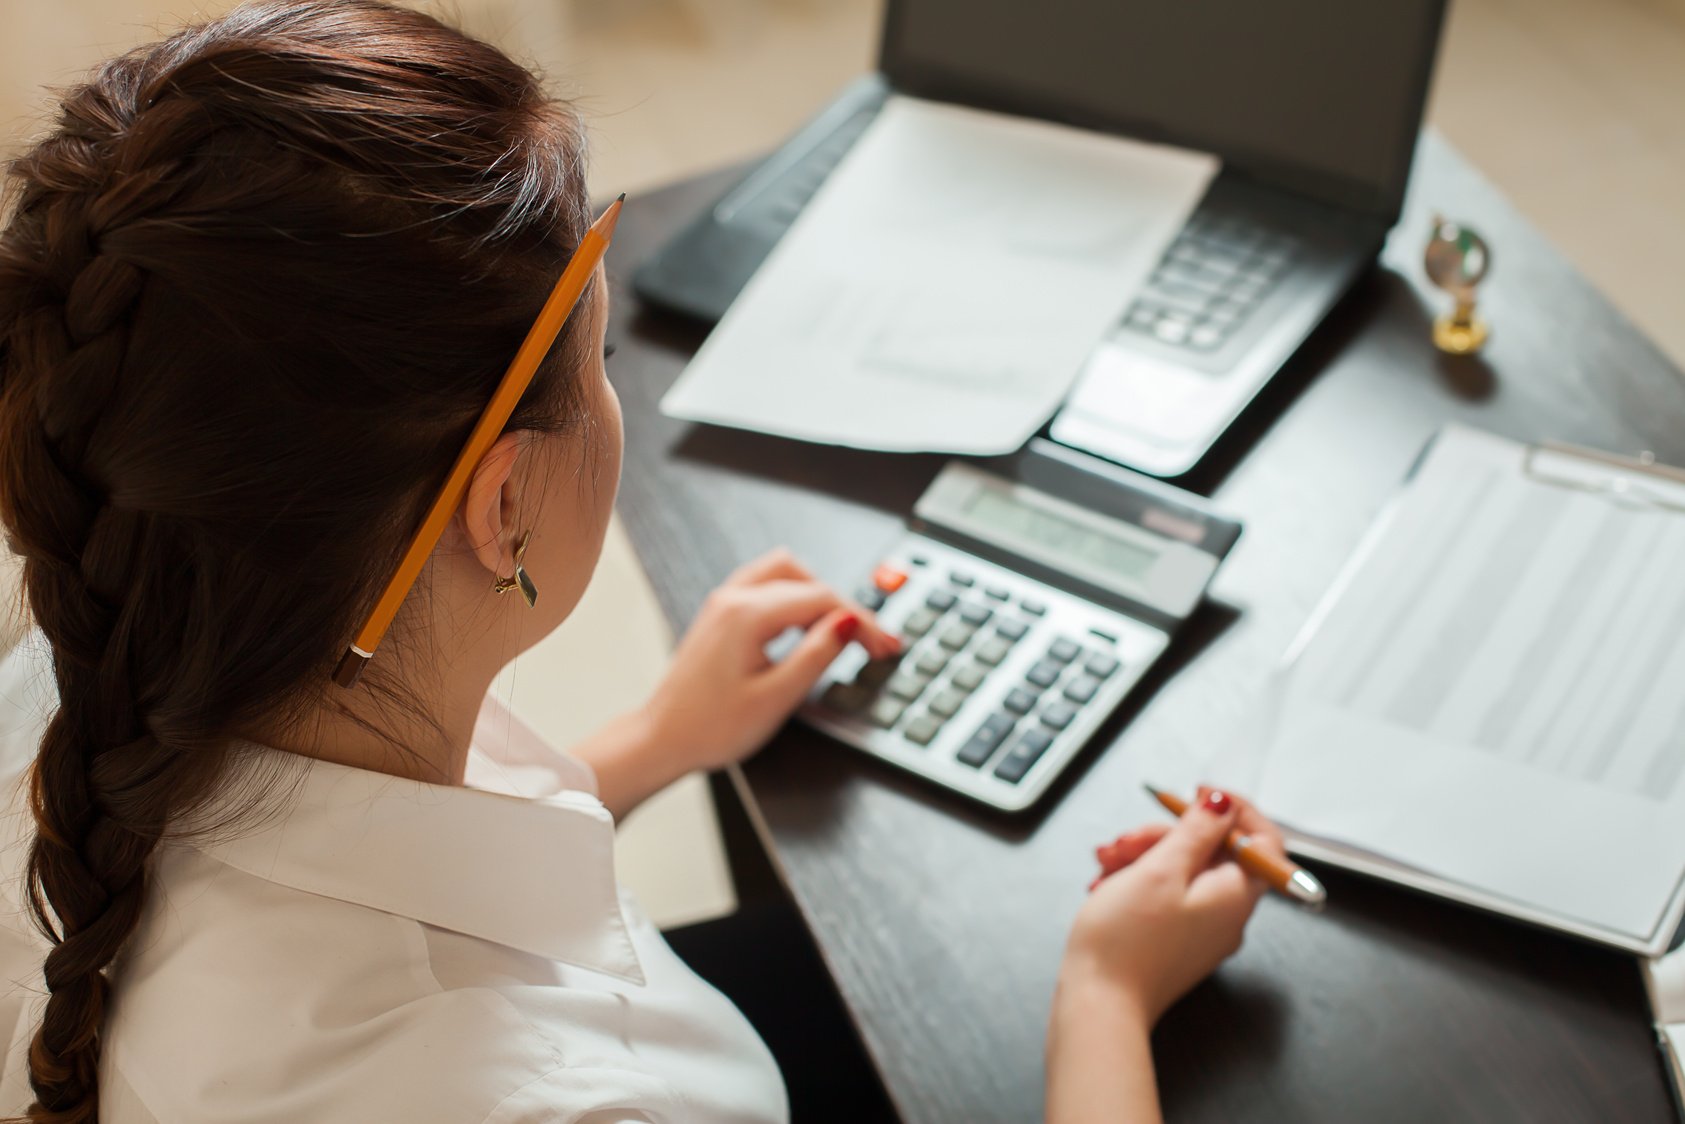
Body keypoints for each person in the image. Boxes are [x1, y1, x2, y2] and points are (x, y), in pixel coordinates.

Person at [0, 2, 1288, 1121]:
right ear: (501, 509)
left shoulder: (73, 676)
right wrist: (1104, 1000)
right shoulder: (583, 1104)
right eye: (602, 366)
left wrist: (651, 743)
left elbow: (327, 873)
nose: (616, 401)